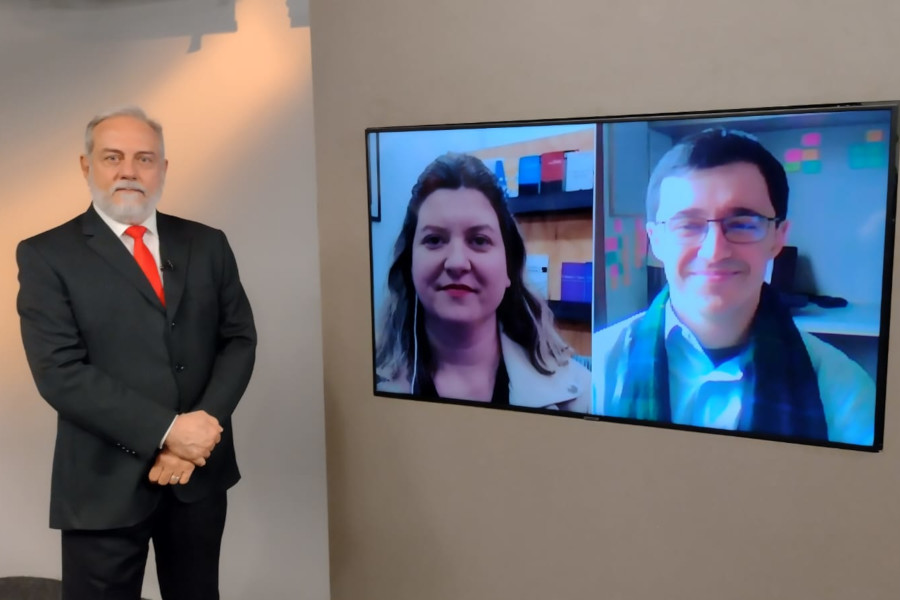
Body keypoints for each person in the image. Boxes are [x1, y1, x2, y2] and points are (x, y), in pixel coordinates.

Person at [16, 106, 257, 599]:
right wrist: (169, 433)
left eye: (145, 158)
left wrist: (201, 430)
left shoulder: (207, 244)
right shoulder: (47, 255)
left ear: (163, 169)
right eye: (113, 157)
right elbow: (60, 373)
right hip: (102, 484)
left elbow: (238, 340)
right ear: (87, 166)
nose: (129, 170)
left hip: (198, 479)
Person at [592, 128, 875, 445]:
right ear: (656, 240)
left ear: (778, 237)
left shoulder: (844, 391)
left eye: (742, 224)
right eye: (688, 224)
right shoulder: (597, 372)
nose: (714, 251)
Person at [375, 152, 590, 412]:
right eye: (434, 240)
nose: (456, 262)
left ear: (509, 267)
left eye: (479, 240)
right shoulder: (361, 382)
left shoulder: (582, 395)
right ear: (409, 263)